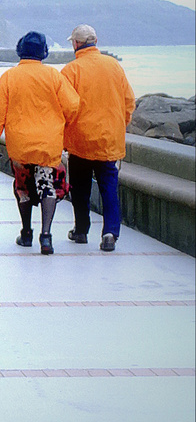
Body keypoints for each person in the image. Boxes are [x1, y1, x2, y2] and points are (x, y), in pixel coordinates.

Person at [0, 31, 79, 254]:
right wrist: (62, 125)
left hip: (20, 145)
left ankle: (26, 233)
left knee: (23, 188)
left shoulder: (9, 77)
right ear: (43, 52)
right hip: (48, 144)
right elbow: (72, 106)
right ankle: (46, 236)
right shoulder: (54, 76)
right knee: (47, 185)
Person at [61, 24, 136, 252]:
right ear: (96, 41)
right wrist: (118, 126)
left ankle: (81, 230)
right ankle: (110, 232)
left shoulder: (71, 71)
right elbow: (129, 102)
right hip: (108, 142)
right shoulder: (114, 66)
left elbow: (64, 107)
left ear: (76, 43)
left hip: (80, 141)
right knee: (109, 189)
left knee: (80, 189)